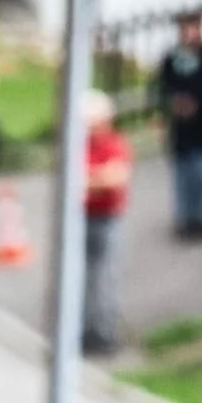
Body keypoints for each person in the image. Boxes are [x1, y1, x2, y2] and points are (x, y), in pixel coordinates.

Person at [154, 9, 202, 239]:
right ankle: (186, 218)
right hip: (180, 129)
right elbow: (163, 87)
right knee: (182, 176)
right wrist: (175, 103)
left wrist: (195, 103)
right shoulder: (171, 59)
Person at [81, 91, 131, 355]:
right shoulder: (83, 146)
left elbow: (115, 178)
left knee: (104, 276)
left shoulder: (114, 144)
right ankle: (85, 327)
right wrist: (96, 178)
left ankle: (103, 330)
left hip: (106, 217)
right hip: (84, 217)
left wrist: (90, 179)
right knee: (83, 275)